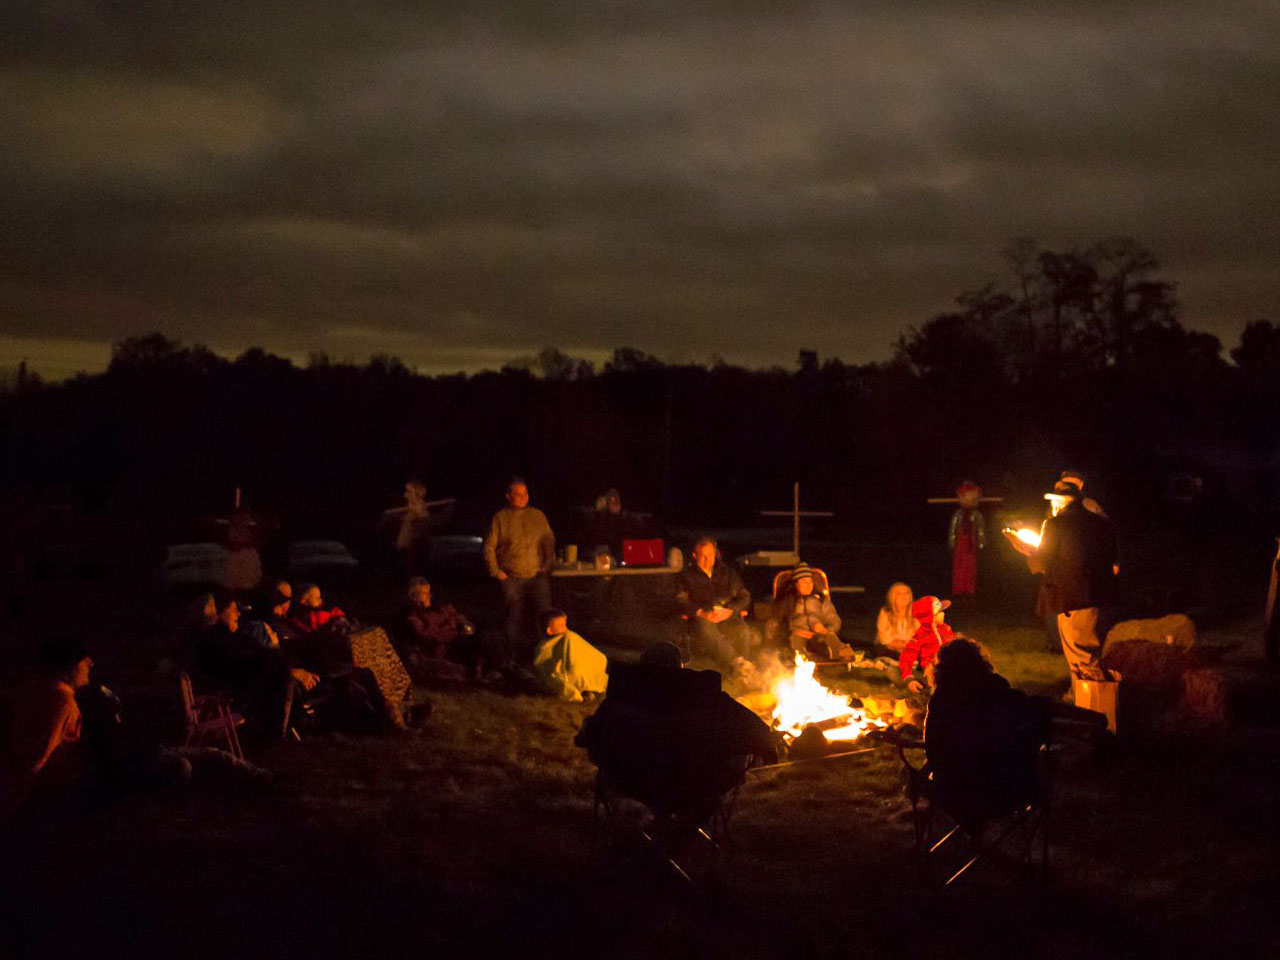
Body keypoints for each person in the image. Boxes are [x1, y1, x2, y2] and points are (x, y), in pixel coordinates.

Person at [924, 638, 1050, 832]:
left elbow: (933, 749)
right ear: (980, 662)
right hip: (1005, 790)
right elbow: (1032, 724)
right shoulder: (1000, 691)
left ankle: (969, 832)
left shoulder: (941, 701)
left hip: (953, 791)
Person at [1005, 478, 1118, 681]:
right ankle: (1080, 694)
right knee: (1092, 650)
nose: (1053, 505)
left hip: (1072, 599)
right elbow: (1111, 556)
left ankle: (1094, 702)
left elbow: (1043, 559)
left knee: (1081, 655)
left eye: (1055, 501)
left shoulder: (1055, 524)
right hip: (1101, 596)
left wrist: (1021, 546)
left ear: (1062, 501)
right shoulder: (1100, 524)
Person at [196, 593, 319, 739]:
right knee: (282, 677)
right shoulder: (216, 640)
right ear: (220, 611)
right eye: (234, 609)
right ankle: (278, 737)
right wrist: (288, 670)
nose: (239, 613)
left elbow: (256, 655)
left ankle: (294, 726)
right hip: (231, 698)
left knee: (282, 671)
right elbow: (244, 664)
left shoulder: (231, 637)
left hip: (242, 692)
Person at [3, 637, 94, 813]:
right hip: (45, 800)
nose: (90, 663)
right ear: (68, 666)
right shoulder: (61, 702)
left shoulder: (39, 693)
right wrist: (13, 806)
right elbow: (36, 758)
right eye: (83, 659)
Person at [483, 477, 555, 658]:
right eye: (518, 494)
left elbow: (548, 541)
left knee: (544, 614)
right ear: (508, 496)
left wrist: (547, 564)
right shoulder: (500, 518)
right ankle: (512, 655)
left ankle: (544, 654)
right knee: (513, 616)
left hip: (537, 575)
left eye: (525, 493)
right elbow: (489, 546)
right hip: (511, 576)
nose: (522, 497)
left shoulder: (537, 516)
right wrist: (496, 571)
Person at [674, 537, 758, 669]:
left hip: (725, 616)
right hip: (701, 618)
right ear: (695, 556)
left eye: (710, 555)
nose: (707, 560)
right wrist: (700, 612)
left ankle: (742, 671)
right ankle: (740, 666)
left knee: (742, 631)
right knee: (705, 629)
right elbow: (680, 599)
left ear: (716, 554)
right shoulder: (686, 576)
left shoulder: (728, 573)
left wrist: (731, 610)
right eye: (703, 556)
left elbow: (744, 596)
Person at [397, 577, 478, 683]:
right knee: (452, 670)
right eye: (423, 593)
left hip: (450, 645)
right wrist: (453, 631)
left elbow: (457, 617)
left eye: (428, 592)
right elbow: (427, 634)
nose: (428, 596)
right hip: (429, 653)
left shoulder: (440, 606)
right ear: (414, 596)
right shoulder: (411, 614)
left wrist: (464, 625)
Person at [533, 608, 609, 701]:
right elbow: (544, 664)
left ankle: (587, 692)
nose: (566, 629)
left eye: (565, 625)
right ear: (550, 631)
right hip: (569, 676)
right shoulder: (549, 645)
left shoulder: (569, 637)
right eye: (561, 626)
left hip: (579, 674)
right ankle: (582, 694)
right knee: (558, 681)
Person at [778, 563, 846, 660]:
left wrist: (826, 629)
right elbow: (778, 622)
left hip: (818, 635)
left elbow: (834, 619)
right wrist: (794, 631)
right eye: (804, 582)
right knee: (795, 641)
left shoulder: (820, 600)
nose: (808, 585)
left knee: (829, 637)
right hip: (797, 635)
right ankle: (802, 659)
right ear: (796, 584)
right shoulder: (788, 601)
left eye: (810, 581)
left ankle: (833, 656)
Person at [898, 595, 958, 691]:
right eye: (939, 612)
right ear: (929, 617)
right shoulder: (919, 637)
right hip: (931, 670)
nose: (943, 614)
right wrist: (909, 679)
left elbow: (955, 647)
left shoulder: (946, 629)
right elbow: (906, 659)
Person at [948, 481, 986, 598]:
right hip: (961, 543)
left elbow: (980, 529)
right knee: (959, 565)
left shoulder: (976, 514)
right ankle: (959, 588)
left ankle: (969, 588)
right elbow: (953, 528)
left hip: (971, 543)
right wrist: (952, 541)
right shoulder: (959, 514)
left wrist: (980, 542)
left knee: (970, 566)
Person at [875, 582, 917, 653]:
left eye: (906, 593)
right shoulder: (886, 612)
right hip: (889, 652)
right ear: (892, 597)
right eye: (899, 594)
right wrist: (905, 644)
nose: (903, 596)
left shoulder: (917, 612)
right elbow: (885, 639)